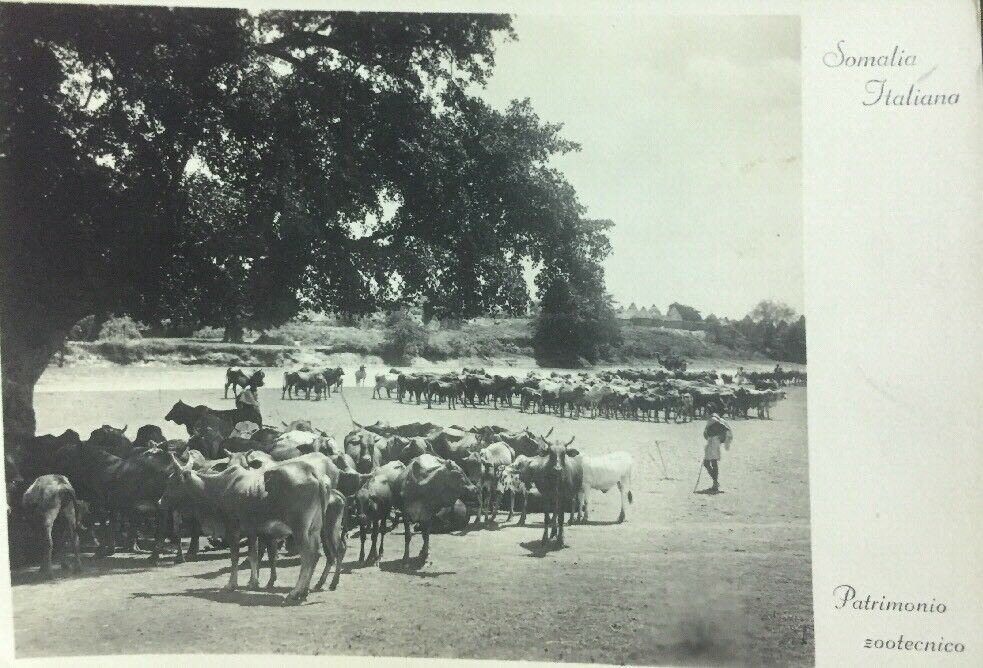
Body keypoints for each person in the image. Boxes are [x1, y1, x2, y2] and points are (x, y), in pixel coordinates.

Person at [702, 413, 733, 492]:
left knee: (709, 462)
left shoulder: (713, 419)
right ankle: (715, 483)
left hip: (714, 442)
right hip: (714, 442)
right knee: (711, 462)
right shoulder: (717, 419)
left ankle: (715, 483)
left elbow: (707, 434)